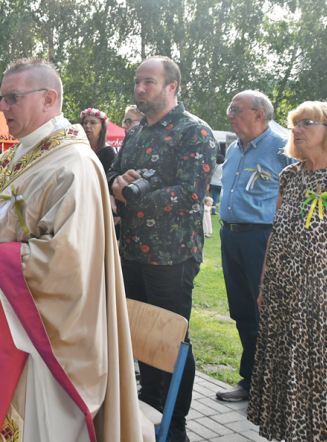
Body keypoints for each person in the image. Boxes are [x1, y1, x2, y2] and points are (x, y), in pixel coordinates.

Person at [0, 58, 145, 442]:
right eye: (1, 98)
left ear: (48, 98)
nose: (2, 107)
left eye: (12, 98)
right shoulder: (16, 156)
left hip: (39, 335)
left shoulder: (74, 164)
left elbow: (67, 260)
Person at [108, 56, 218, 442]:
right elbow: (112, 174)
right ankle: (149, 404)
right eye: (138, 82)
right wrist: (117, 183)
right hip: (132, 250)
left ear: (172, 87)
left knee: (171, 340)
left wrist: (133, 195)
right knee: (139, 335)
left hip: (172, 256)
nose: (140, 89)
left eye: (149, 83)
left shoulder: (195, 133)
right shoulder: (137, 134)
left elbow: (191, 194)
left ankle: (174, 423)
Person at [247, 101, 327, 440]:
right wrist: (264, 285)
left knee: (317, 385)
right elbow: (276, 234)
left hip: (321, 308)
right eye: (294, 123)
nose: (296, 129)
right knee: (283, 380)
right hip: (282, 299)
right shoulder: (290, 175)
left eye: (307, 122)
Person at [215, 91, 292, 402]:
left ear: (259, 115)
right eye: (230, 108)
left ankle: (273, 386)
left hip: (262, 238)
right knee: (243, 311)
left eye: (236, 109)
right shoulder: (234, 149)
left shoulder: (285, 147)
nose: (230, 114)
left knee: (267, 312)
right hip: (230, 236)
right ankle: (251, 380)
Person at [81, 107, 116, 172]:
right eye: (85, 122)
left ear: (102, 127)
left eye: (93, 123)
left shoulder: (108, 151)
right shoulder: (80, 149)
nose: (87, 126)